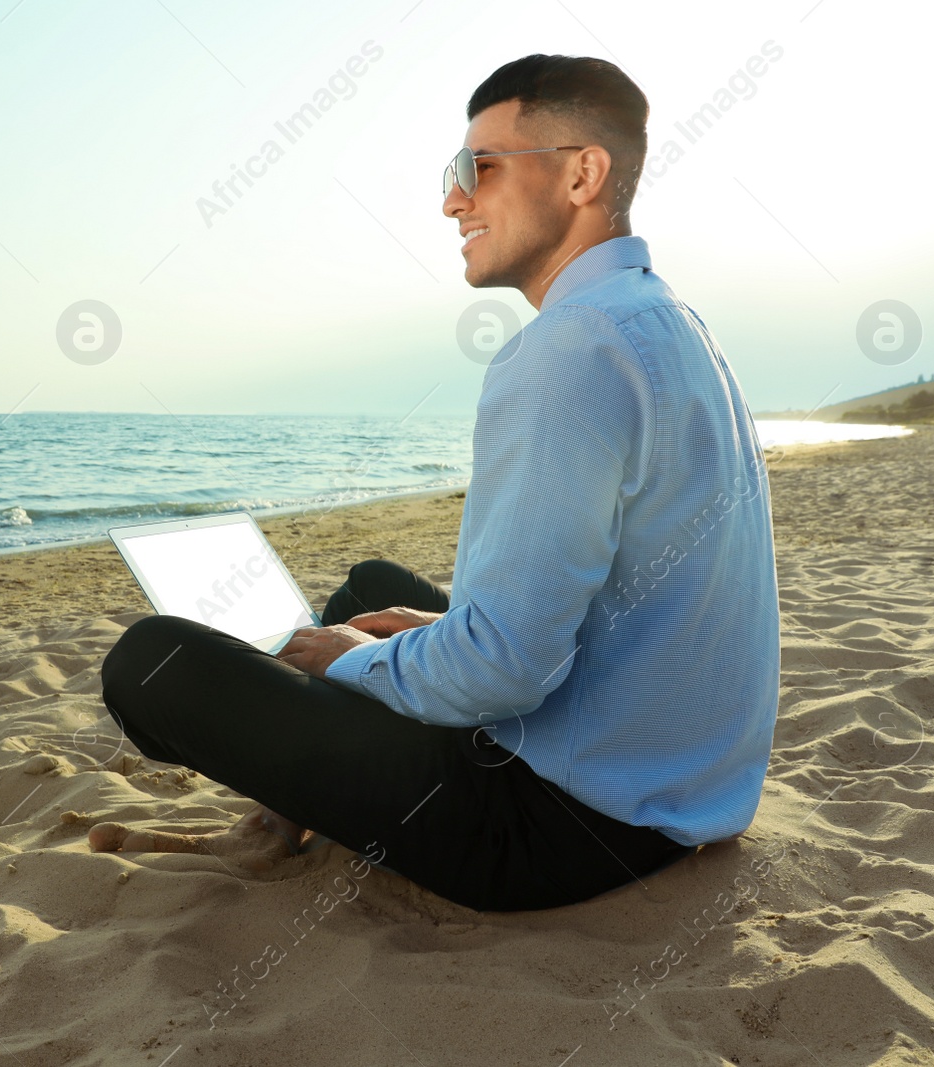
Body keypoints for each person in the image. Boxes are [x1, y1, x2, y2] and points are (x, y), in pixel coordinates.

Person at [92, 54, 780, 912]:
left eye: (478, 169)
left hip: (565, 828)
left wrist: (356, 664)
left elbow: (504, 674)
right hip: (678, 786)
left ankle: (283, 807)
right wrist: (404, 641)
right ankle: (278, 820)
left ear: (581, 173)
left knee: (151, 664)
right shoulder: (668, 320)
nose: (453, 199)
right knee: (373, 588)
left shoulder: (568, 349)